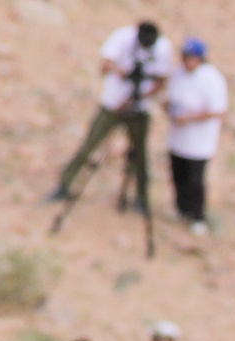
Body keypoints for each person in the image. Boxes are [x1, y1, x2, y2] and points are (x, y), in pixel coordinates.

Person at [49, 20, 175, 212]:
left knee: (140, 156)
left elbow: (161, 80)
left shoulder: (163, 48)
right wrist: (121, 73)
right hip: (111, 105)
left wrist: (137, 98)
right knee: (90, 145)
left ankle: (141, 198)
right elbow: (105, 65)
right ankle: (65, 184)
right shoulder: (123, 38)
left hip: (139, 109)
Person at [166, 38, 227, 234]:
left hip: (199, 142)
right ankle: (181, 209)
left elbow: (217, 110)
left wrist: (190, 118)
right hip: (178, 138)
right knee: (178, 175)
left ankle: (197, 216)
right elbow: (170, 99)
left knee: (195, 180)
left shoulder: (211, 79)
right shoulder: (178, 74)